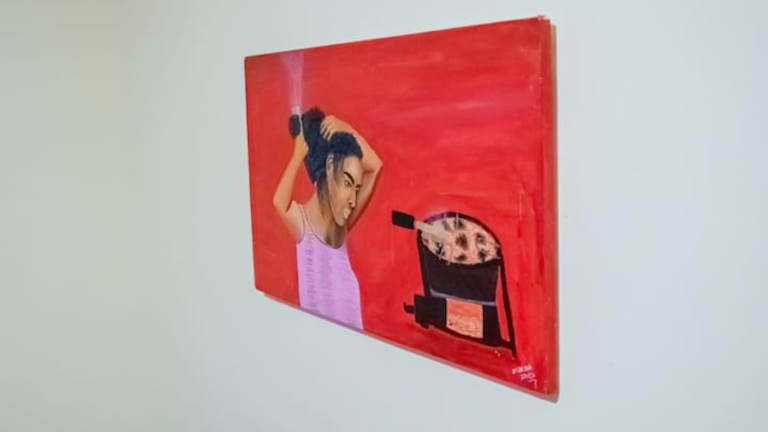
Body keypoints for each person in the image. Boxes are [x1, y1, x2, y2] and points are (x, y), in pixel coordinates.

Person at [272, 108, 383, 330]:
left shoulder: (340, 228)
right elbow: (279, 203)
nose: (353, 200)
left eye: (357, 188)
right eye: (348, 183)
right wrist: (297, 155)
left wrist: (347, 129)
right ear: (330, 166)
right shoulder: (302, 224)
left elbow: (375, 166)